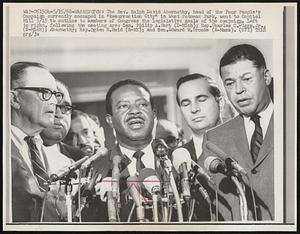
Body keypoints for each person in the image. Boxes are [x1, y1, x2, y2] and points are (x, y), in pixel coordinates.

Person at [203, 44, 274, 221]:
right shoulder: (214, 139)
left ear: (266, 77)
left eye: (247, 79)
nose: (238, 90)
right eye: (230, 83)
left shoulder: (291, 123)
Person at [89, 79, 175, 222]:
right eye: (123, 106)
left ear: (154, 114)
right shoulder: (98, 169)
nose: (134, 111)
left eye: (142, 104)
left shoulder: (178, 162)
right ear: (110, 120)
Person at [10, 61, 63, 222]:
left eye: (55, 94)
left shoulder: (46, 150)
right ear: (14, 99)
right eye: (44, 92)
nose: (54, 101)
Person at [175, 73, 225, 221]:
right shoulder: (176, 159)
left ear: (220, 102)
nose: (194, 109)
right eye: (185, 103)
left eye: (201, 99)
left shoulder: (246, 146)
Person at [39, 80, 85, 221]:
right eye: (53, 105)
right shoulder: (15, 152)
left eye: (65, 107)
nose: (59, 114)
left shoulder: (80, 158)